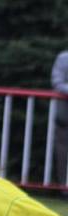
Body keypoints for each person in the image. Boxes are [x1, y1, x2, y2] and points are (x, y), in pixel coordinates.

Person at [51, 50, 68, 190]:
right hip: (65, 116)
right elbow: (57, 83)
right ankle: (64, 188)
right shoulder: (64, 58)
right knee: (63, 152)